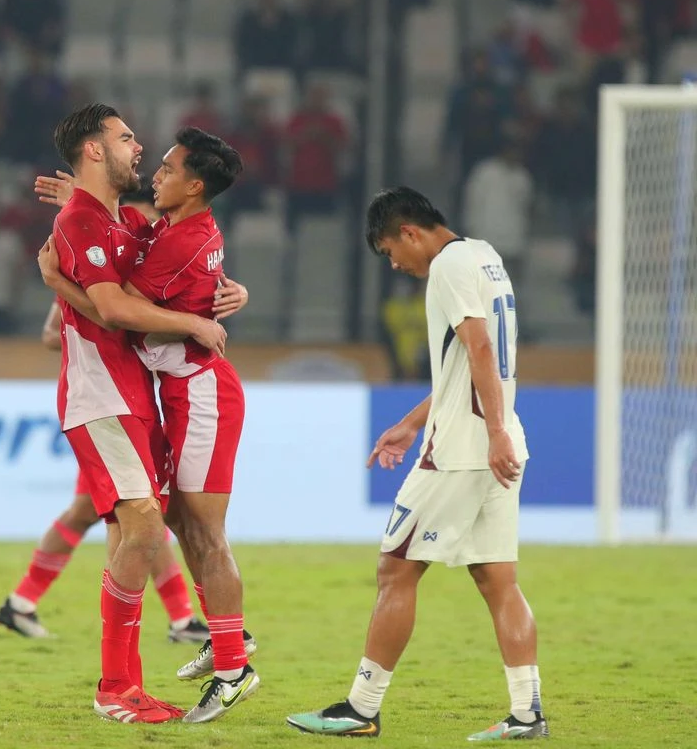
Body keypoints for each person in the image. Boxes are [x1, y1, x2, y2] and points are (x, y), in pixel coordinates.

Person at [286, 186, 545, 741]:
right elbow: (469, 364)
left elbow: (479, 348)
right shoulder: (485, 256)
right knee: (498, 579)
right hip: (500, 442)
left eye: (389, 251)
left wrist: (491, 433)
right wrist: (412, 422)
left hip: (461, 450)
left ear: (408, 231)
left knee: (396, 569)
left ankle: (361, 709)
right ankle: (527, 714)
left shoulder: (448, 266)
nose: (395, 264)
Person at [36, 128, 262, 723]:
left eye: (167, 167)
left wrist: (59, 283)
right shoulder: (164, 227)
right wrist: (81, 202)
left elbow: (118, 313)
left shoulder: (179, 238)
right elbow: (125, 237)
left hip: (201, 393)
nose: (154, 171)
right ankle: (222, 641)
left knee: (199, 531)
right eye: (147, 156)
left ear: (194, 185)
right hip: (171, 394)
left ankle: (232, 662)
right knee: (175, 524)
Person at [0, 299, 210, 645]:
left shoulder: (129, 284)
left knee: (111, 514)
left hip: (132, 409)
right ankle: (181, 619)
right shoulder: (92, 285)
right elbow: (51, 334)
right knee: (140, 514)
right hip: (105, 411)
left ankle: (21, 602)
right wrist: (109, 334)